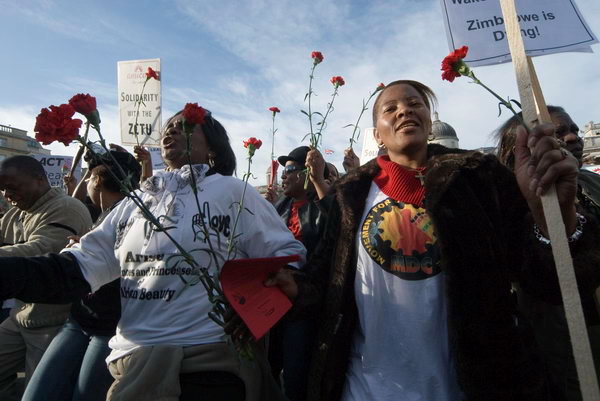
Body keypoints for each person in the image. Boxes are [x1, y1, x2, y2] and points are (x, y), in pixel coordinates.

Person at [266, 80, 597, 401]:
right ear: (378, 134)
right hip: (367, 385)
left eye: (414, 104)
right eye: (390, 108)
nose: (404, 111)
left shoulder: (479, 178)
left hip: (475, 383)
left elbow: (544, 279)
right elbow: (327, 283)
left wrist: (552, 212)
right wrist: (293, 286)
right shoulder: (348, 196)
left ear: (428, 119)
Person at [0, 107, 305, 401]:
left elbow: (288, 257)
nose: (171, 128)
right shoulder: (139, 200)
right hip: (133, 362)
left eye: (185, 124)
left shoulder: (234, 192)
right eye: (168, 125)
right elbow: (79, 266)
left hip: (209, 360)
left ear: (213, 145)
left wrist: (253, 305)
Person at [496, 106, 600, 401]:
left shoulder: (592, 182)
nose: (572, 137)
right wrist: (550, 215)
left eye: (575, 130)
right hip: (561, 351)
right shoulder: (508, 202)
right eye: (556, 133)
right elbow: (544, 279)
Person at [22, 150, 141, 401]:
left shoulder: (133, 215)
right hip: (78, 320)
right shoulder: (102, 212)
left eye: (89, 179)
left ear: (97, 182)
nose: (86, 183)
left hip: (107, 328)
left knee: (85, 396)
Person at [0, 155, 92, 401]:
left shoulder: (66, 208)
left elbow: (40, 252)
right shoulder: (14, 214)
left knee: (41, 393)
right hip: (20, 316)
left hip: (55, 321)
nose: (7, 195)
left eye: (13, 187)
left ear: (39, 180)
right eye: (3, 189)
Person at [268, 146, 331, 401]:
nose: (285, 175)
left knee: (295, 374)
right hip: (273, 299)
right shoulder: (278, 207)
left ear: (307, 174)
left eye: (291, 170)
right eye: (284, 170)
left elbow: (339, 226)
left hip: (304, 302)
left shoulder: (324, 206)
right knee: (269, 367)